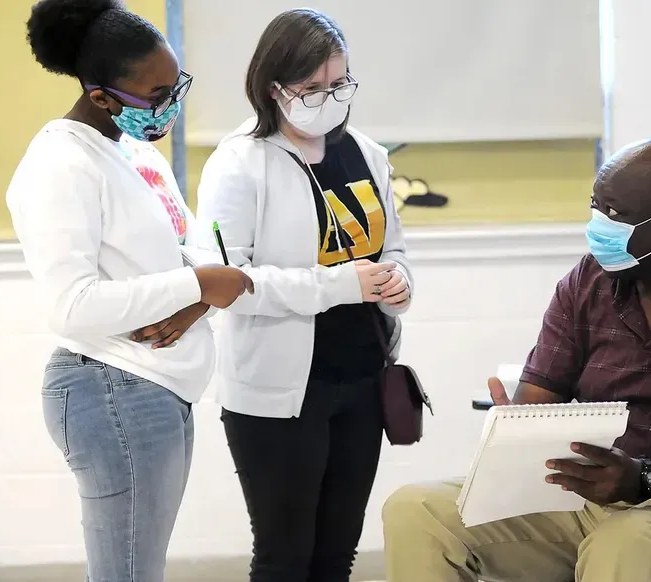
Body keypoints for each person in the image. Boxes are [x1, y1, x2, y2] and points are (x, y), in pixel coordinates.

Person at [382, 139, 651, 582]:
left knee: (627, 545)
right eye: (596, 207)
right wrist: (515, 429)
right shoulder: (590, 280)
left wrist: (646, 477)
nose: (598, 225)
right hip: (593, 499)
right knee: (416, 511)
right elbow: (538, 399)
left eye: (615, 214)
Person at [7, 1, 253, 580]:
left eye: (177, 85)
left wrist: (196, 300)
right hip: (111, 386)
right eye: (157, 95)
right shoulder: (60, 164)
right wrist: (198, 284)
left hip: (158, 386)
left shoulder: (136, 152)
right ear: (102, 97)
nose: (172, 104)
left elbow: (196, 249)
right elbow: (71, 306)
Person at [194, 8, 412, 582]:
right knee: (284, 559)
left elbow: (393, 250)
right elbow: (228, 283)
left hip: (363, 377)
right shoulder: (239, 164)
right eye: (311, 89)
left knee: (337, 557)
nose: (329, 98)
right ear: (274, 88)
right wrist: (341, 284)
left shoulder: (366, 153)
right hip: (280, 393)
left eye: (339, 83)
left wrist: (398, 283)